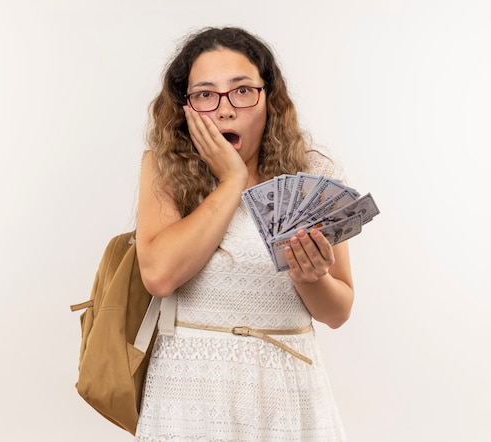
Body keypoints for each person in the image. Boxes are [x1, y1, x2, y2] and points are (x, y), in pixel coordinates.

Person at [134, 26, 353, 441]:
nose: (225, 109)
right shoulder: (165, 170)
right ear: (185, 108)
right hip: (191, 389)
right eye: (205, 94)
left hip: (289, 388)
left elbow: (337, 313)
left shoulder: (312, 177)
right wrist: (232, 180)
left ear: (269, 98)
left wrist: (312, 277)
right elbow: (160, 276)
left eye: (242, 90)